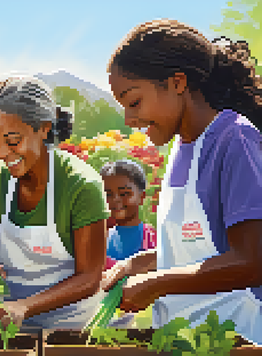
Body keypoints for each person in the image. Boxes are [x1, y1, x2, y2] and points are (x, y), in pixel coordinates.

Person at [105, 19, 262, 345]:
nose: (129, 120)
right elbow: (197, 250)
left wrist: (157, 283)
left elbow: (251, 261)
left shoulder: (235, 139)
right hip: (188, 339)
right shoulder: (182, 148)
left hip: (239, 338)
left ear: (177, 82)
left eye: (134, 102)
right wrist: (137, 264)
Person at [0, 75, 110, 330]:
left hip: (71, 324)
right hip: (6, 322)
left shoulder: (80, 184)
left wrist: (25, 306)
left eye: (13, 141)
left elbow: (90, 277)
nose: (1, 153)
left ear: (44, 128)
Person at [99, 159, 157, 328]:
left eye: (125, 194)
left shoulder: (152, 237)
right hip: (104, 323)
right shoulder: (100, 238)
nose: (115, 200)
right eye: (108, 194)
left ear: (142, 197)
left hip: (144, 324)